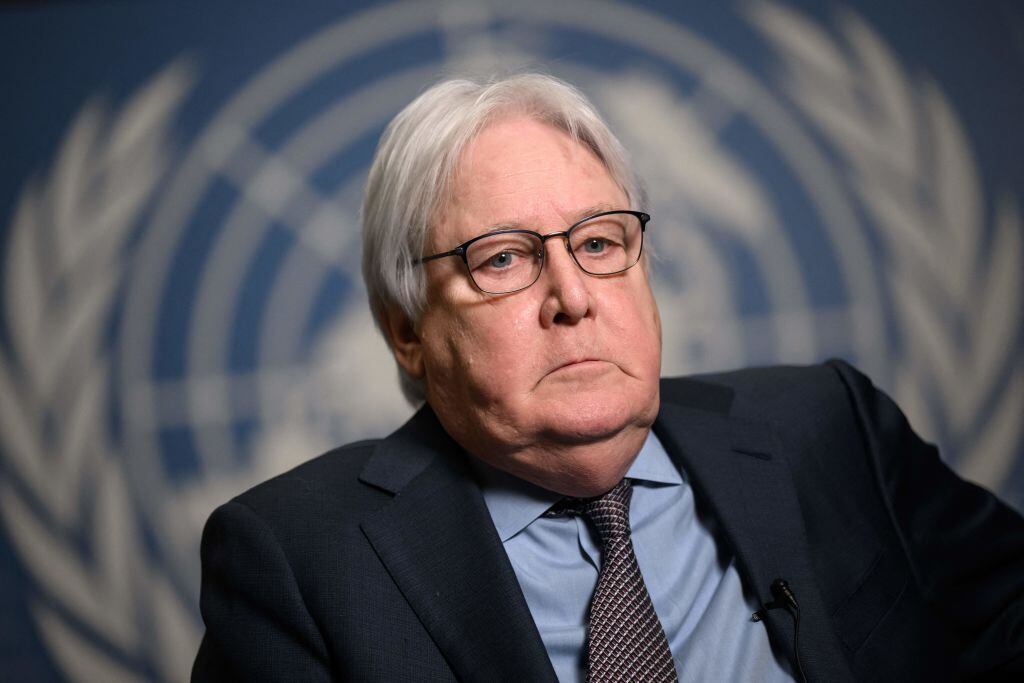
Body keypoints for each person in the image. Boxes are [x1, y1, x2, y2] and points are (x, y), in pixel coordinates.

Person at [192, 74, 1024, 682]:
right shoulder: (298, 561)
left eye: (598, 242)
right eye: (504, 258)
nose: (573, 296)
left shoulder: (826, 426)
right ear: (408, 330)